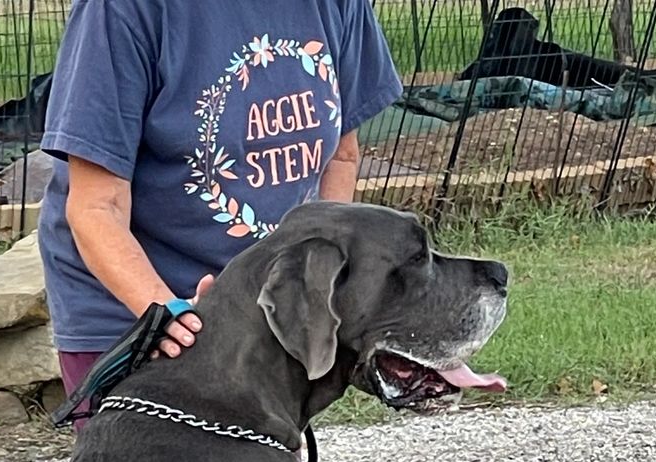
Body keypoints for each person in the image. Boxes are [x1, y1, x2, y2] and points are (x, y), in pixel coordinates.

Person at [37, 0, 404, 432]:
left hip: (257, 303)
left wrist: (320, 278)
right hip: (132, 307)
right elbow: (97, 206)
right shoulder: (121, 11)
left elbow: (340, 156)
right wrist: (164, 312)